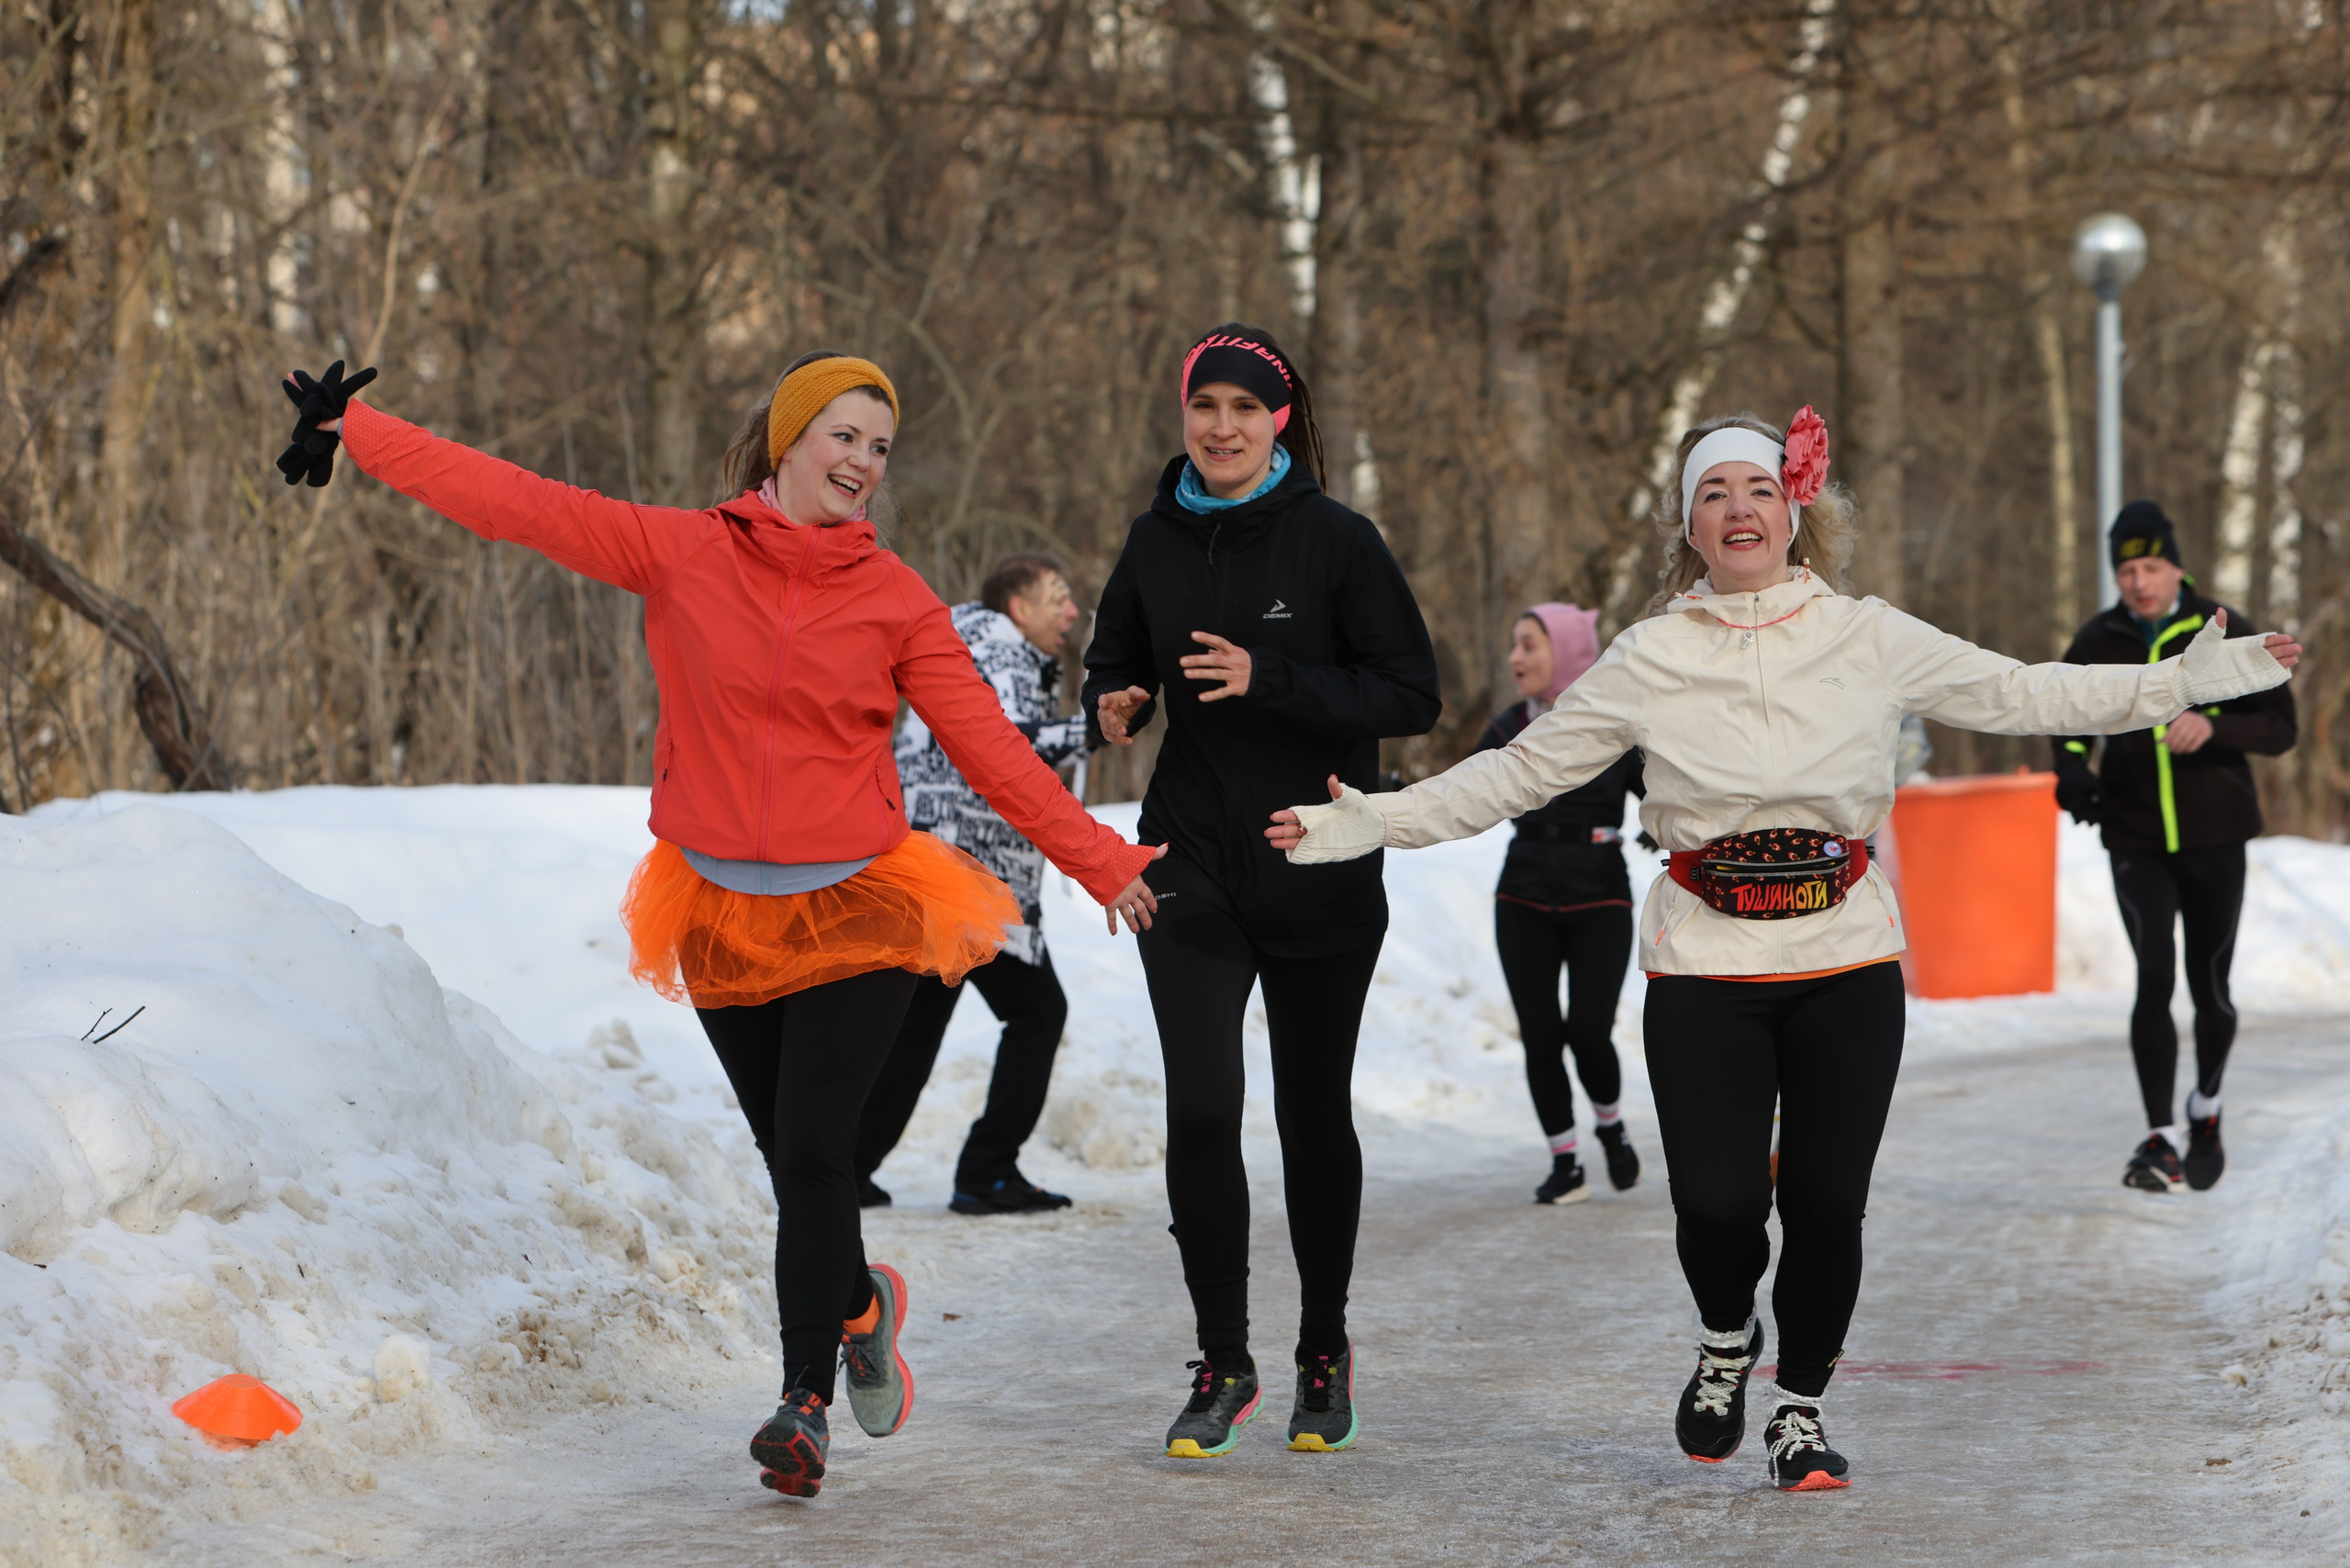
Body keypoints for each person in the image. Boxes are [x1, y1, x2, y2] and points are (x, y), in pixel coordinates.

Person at [1269, 408, 2300, 1492]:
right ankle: (1726, 1337)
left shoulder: (1865, 632)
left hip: (1843, 959)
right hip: (1705, 959)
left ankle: (1799, 1406)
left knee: (1823, 1202)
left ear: (1793, 511)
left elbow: (2027, 689)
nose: (1737, 508)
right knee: (1715, 1205)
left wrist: (2187, 681)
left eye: (1756, 489)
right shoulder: (1650, 655)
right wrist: (1372, 821)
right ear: (1689, 529)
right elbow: (1515, 773)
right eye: (1712, 493)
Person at [274, 351, 1161, 1500]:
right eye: (843, 435)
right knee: (797, 1171)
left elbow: (991, 751)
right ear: (788, 438)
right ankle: (860, 1303)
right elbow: (518, 503)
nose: (861, 462)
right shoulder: (683, 550)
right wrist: (360, 431)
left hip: (861, 902)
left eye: (879, 447)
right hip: (717, 906)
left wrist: (1102, 861)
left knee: (812, 1148)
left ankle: (802, 1404)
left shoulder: (894, 598)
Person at [1083, 323, 1440, 1459]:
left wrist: (1268, 677)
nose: (1222, 427)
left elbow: (1409, 695)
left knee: (1308, 1114)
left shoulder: (1338, 540)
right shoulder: (1154, 537)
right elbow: (1115, 652)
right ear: (1183, 416)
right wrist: (1119, 697)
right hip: (1188, 857)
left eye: (1245, 408)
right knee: (1198, 1107)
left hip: (1316, 856)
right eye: (1205, 408)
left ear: (1279, 420)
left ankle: (1322, 1348)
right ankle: (1222, 1358)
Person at [2051, 502, 2297, 1195]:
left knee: (2208, 984)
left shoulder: (2224, 629)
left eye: (2150, 566)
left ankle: (2206, 1109)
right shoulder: (2098, 636)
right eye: (2126, 569)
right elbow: (2065, 717)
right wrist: (2072, 769)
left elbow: (2280, 726)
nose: (2138, 581)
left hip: (2216, 835)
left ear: (2177, 567)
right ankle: (2159, 1138)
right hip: (2134, 835)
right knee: (2154, 974)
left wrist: (2213, 728)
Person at [857, 552, 1090, 1215]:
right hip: (968, 872)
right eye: (1058, 598)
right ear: (1018, 608)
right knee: (1038, 1013)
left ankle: (848, 1166)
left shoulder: (965, 645)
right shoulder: (1000, 650)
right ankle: (987, 1171)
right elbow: (1007, 744)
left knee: (919, 1020)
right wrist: (1091, 730)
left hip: (937, 861)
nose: (1070, 613)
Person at [1477, 602, 1647, 1204]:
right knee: (1542, 1035)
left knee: (1589, 1032)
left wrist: (1666, 826)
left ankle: (1612, 1127)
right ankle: (1565, 1161)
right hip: (1522, 895)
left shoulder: (1613, 728)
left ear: (1569, 653)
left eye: (1528, 645)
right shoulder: (1504, 730)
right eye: (1515, 644)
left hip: (1600, 895)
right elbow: (1460, 792)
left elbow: (1665, 795)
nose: (1514, 657)